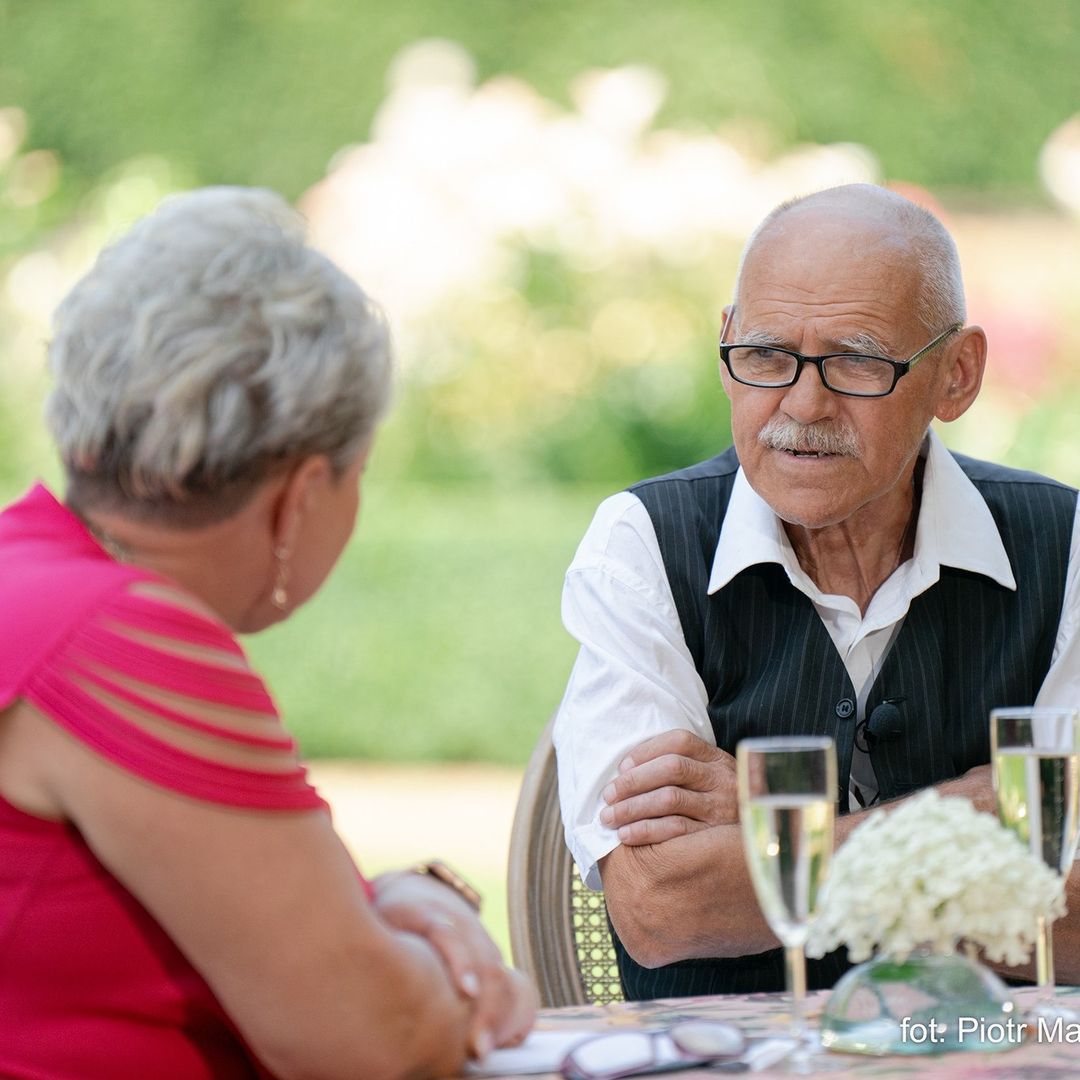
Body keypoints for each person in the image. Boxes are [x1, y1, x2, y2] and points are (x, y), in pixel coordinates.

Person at [0, 187, 535, 1079]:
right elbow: (380, 1046)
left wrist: (385, 902)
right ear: (300, 494)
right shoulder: (125, 639)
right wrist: (450, 968)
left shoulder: (25, 577)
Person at [553, 184, 1080, 1000]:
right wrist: (970, 814)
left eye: (857, 360)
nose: (802, 405)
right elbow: (662, 907)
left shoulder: (1067, 544)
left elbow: (1077, 924)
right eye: (766, 356)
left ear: (958, 375)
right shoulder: (642, 545)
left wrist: (775, 830)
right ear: (726, 345)